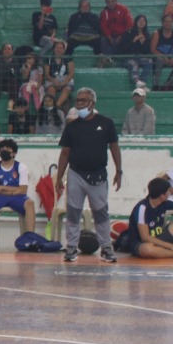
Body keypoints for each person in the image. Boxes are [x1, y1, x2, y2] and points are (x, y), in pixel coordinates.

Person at [55, 87, 121, 263]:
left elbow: (114, 148)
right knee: (73, 212)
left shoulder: (106, 123)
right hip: (76, 174)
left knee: (101, 212)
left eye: (83, 100)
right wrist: (60, 178)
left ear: (92, 103)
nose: (79, 103)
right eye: (78, 100)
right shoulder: (72, 127)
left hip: (98, 176)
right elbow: (65, 153)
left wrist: (118, 171)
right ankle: (71, 248)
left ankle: (106, 248)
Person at [0, 138, 36, 249]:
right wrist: (13, 189)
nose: (4, 151)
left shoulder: (21, 167)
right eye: (2, 149)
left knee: (30, 203)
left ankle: (30, 238)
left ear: (14, 153)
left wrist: (2, 188)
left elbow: (23, 190)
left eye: (8, 149)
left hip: (17, 197)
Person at [149, 13, 173, 90]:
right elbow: (153, 49)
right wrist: (163, 57)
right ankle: (156, 85)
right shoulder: (156, 33)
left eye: (170, 21)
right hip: (159, 57)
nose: (168, 23)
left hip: (172, 58)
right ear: (162, 22)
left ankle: (169, 83)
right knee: (158, 60)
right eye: (166, 21)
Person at [98, 0, 133, 66]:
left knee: (125, 39)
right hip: (110, 35)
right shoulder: (104, 12)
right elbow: (103, 27)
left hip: (123, 34)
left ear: (116, 0)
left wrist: (121, 37)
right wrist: (110, 38)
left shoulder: (124, 9)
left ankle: (108, 59)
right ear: (106, 3)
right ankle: (108, 58)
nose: (111, 4)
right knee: (103, 40)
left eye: (113, 1)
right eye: (109, 2)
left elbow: (130, 24)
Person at [125, 14, 154, 86]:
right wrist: (134, 40)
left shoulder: (147, 35)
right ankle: (137, 81)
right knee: (134, 64)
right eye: (140, 20)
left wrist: (143, 43)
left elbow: (146, 51)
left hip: (140, 57)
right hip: (129, 57)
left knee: (149, 61)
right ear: (136, 22)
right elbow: (126, 49)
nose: (142, 22)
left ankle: (142, 82)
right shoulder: (129, 33)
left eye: (144, 21)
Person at [44, 40, 74, 108]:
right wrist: (54, 81)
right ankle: (50, 107)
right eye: (57, 47)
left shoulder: (68, 58)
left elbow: (71, 74)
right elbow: (47, 74)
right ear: (54, 49)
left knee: (67, 89)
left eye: (61, 48)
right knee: (51, 90)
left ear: (63, 50)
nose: (58, 49)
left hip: (65, 79)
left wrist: (62, 83)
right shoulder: (48, 59)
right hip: (52, 79)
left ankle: (56, 106)